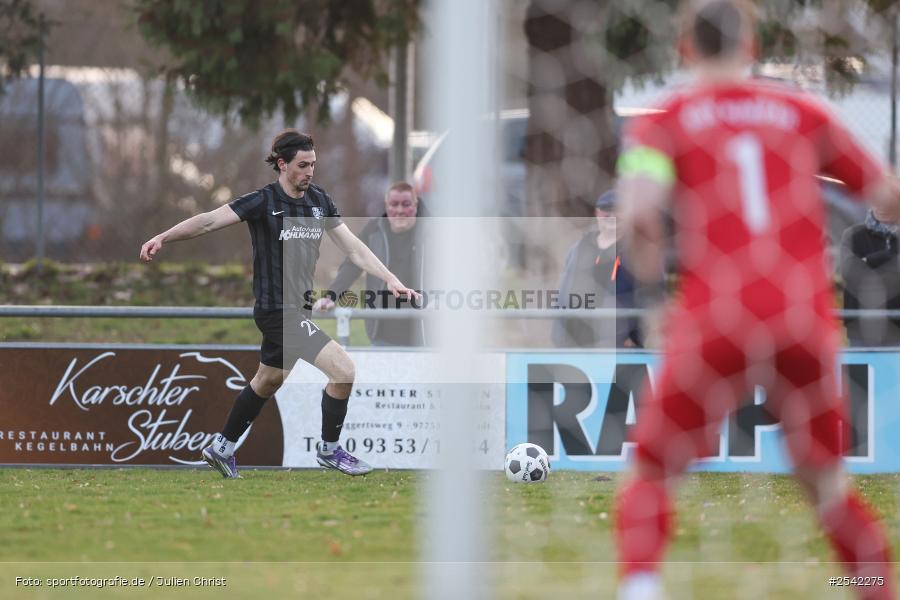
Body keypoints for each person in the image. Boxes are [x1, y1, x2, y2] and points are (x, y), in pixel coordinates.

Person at [613, 2, 899, 599]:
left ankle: (640, 588)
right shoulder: (802, 112)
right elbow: (885, 193)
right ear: (749, 44)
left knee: (650, 475)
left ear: (686, 48)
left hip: (718, 313)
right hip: (802, 316)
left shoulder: (665, 119)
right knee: (827, 487)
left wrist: (651, 299)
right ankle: (877, 591)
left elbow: (639, 214)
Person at [139, 129, 418, 478]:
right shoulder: (263, 201)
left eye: (313, 164)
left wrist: (390, 279)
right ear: (283, 164)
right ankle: (330, 450)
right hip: (276, 311)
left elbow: (354, 249)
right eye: (303, 165)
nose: (310, 171)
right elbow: (209, 221)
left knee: (268, 380)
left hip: (298, 310)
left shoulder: (320, 202)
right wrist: (164, 237)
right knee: (344, 370)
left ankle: (221, 447)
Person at [313, 182, 429, 346]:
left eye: (406, 204)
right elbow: (353, 263)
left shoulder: (433, 231)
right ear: (386, 206)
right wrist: (331, 296)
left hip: (425, 332)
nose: (400, 210)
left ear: (416, 205)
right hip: (382, 332)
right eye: (394, 204)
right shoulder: (374, 229)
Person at [551, 190, 642, 348]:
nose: (612, 215)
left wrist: (636, 338)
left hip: (618, 346)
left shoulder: (636, 251)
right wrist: (559, 334)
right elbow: (564, 291)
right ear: (597, 213)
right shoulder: (579, 249)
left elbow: (648, 296)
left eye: (617, 210)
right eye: (606, 210)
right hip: (576, 343)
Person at [840, 205, 900, 346]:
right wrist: (889, 256)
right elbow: (848, 272)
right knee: (859, 367)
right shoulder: (853, 234)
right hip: (860, 328)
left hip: (897, 327)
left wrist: (867, 261)